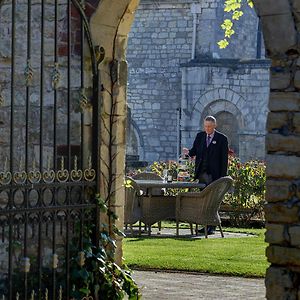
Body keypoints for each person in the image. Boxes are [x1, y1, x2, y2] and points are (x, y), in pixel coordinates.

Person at [183, 115, 229, 234]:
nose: (207, 129)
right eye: (206, 126)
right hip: (202, 174)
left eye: (209, 126)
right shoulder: (200, 136)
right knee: (204, 200)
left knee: (212, 201)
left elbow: (224, 160)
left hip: (215, 176)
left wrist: (222, 178)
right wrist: (188, 152)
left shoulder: (222, 139)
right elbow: (194, 151)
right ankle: (205, 225)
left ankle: (211, 226)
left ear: (215, 126)